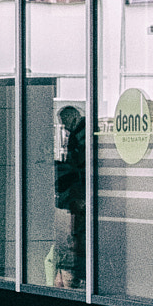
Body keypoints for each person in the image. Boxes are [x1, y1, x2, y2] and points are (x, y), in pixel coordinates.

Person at [51, 105, 86, 287]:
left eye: (64, 122)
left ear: (73, 117)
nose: (64, 127)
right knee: (77, 232)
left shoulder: (81, 134)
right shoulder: (78, 133)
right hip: (79, 191)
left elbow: (79, 163)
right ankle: (80, 272)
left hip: (81, 191)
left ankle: (81, 273)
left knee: (80, 232)